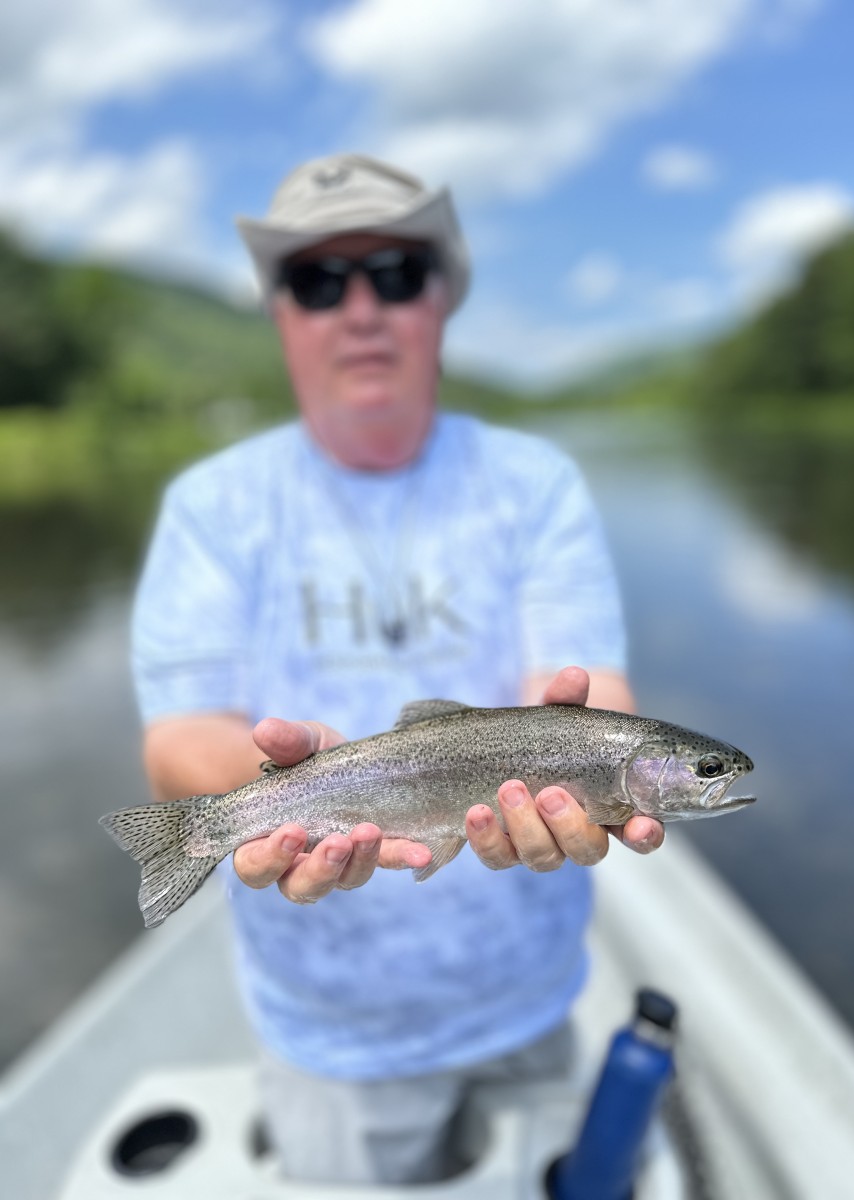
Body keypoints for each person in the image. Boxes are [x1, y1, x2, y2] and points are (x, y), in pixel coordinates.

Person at [131, 153, 664, 1185]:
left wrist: (596, 750)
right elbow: (177, 737)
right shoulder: (213, 504)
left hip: (533, 993)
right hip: (331, 1033)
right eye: (321, 281)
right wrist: (275, 796)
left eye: (395, 270)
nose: (362, 307)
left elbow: (598, 696)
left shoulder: (535, 482)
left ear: (443, 297)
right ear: (281, 313)